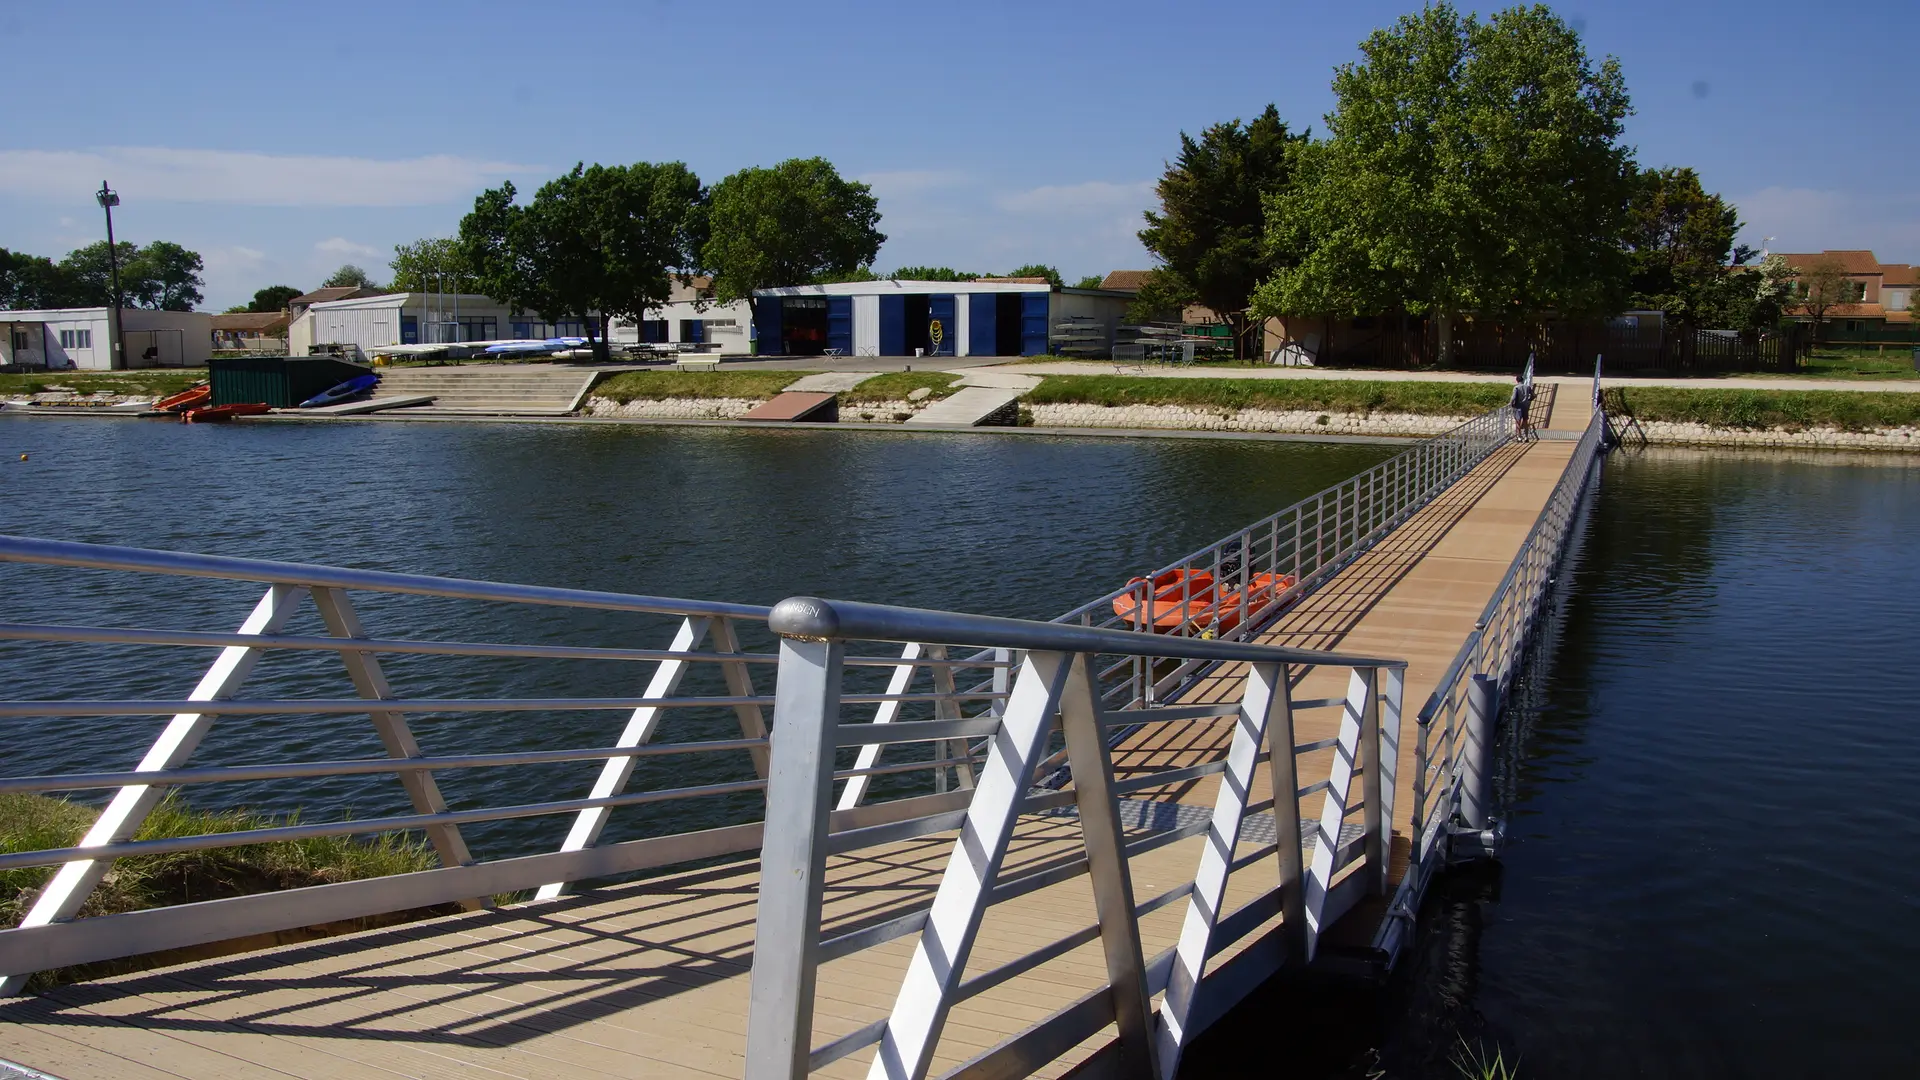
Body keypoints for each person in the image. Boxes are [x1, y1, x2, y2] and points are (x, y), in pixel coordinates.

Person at [1510, 373, 1534, 439]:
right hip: (1525, 406)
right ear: (1523, 380)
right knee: (1525, 421)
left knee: (1518, 421)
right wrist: (1529, 400)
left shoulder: (1516, 387)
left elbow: (1513, 398)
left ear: (1517, 380)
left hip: (1518, 406)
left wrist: (1511, 404)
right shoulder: (1527, 387)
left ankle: (1519, 437)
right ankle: (1526, 436)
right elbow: (1533, 395)